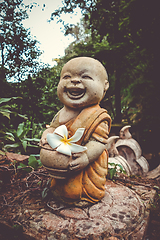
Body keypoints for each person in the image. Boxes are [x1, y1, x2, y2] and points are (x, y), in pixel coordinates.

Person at [40, 57, 111, 205]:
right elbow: (53, 128)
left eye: (85, 77)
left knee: (84, 188)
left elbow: (98, 142)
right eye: (67, 77)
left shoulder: (98, 116)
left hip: (87, 165)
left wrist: (86, 157)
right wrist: (46, 135)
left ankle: (84, 197)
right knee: (61, 184)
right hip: (61, 163)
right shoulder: (62, 112)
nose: (75, 81)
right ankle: (58, 192)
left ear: (104, 86)